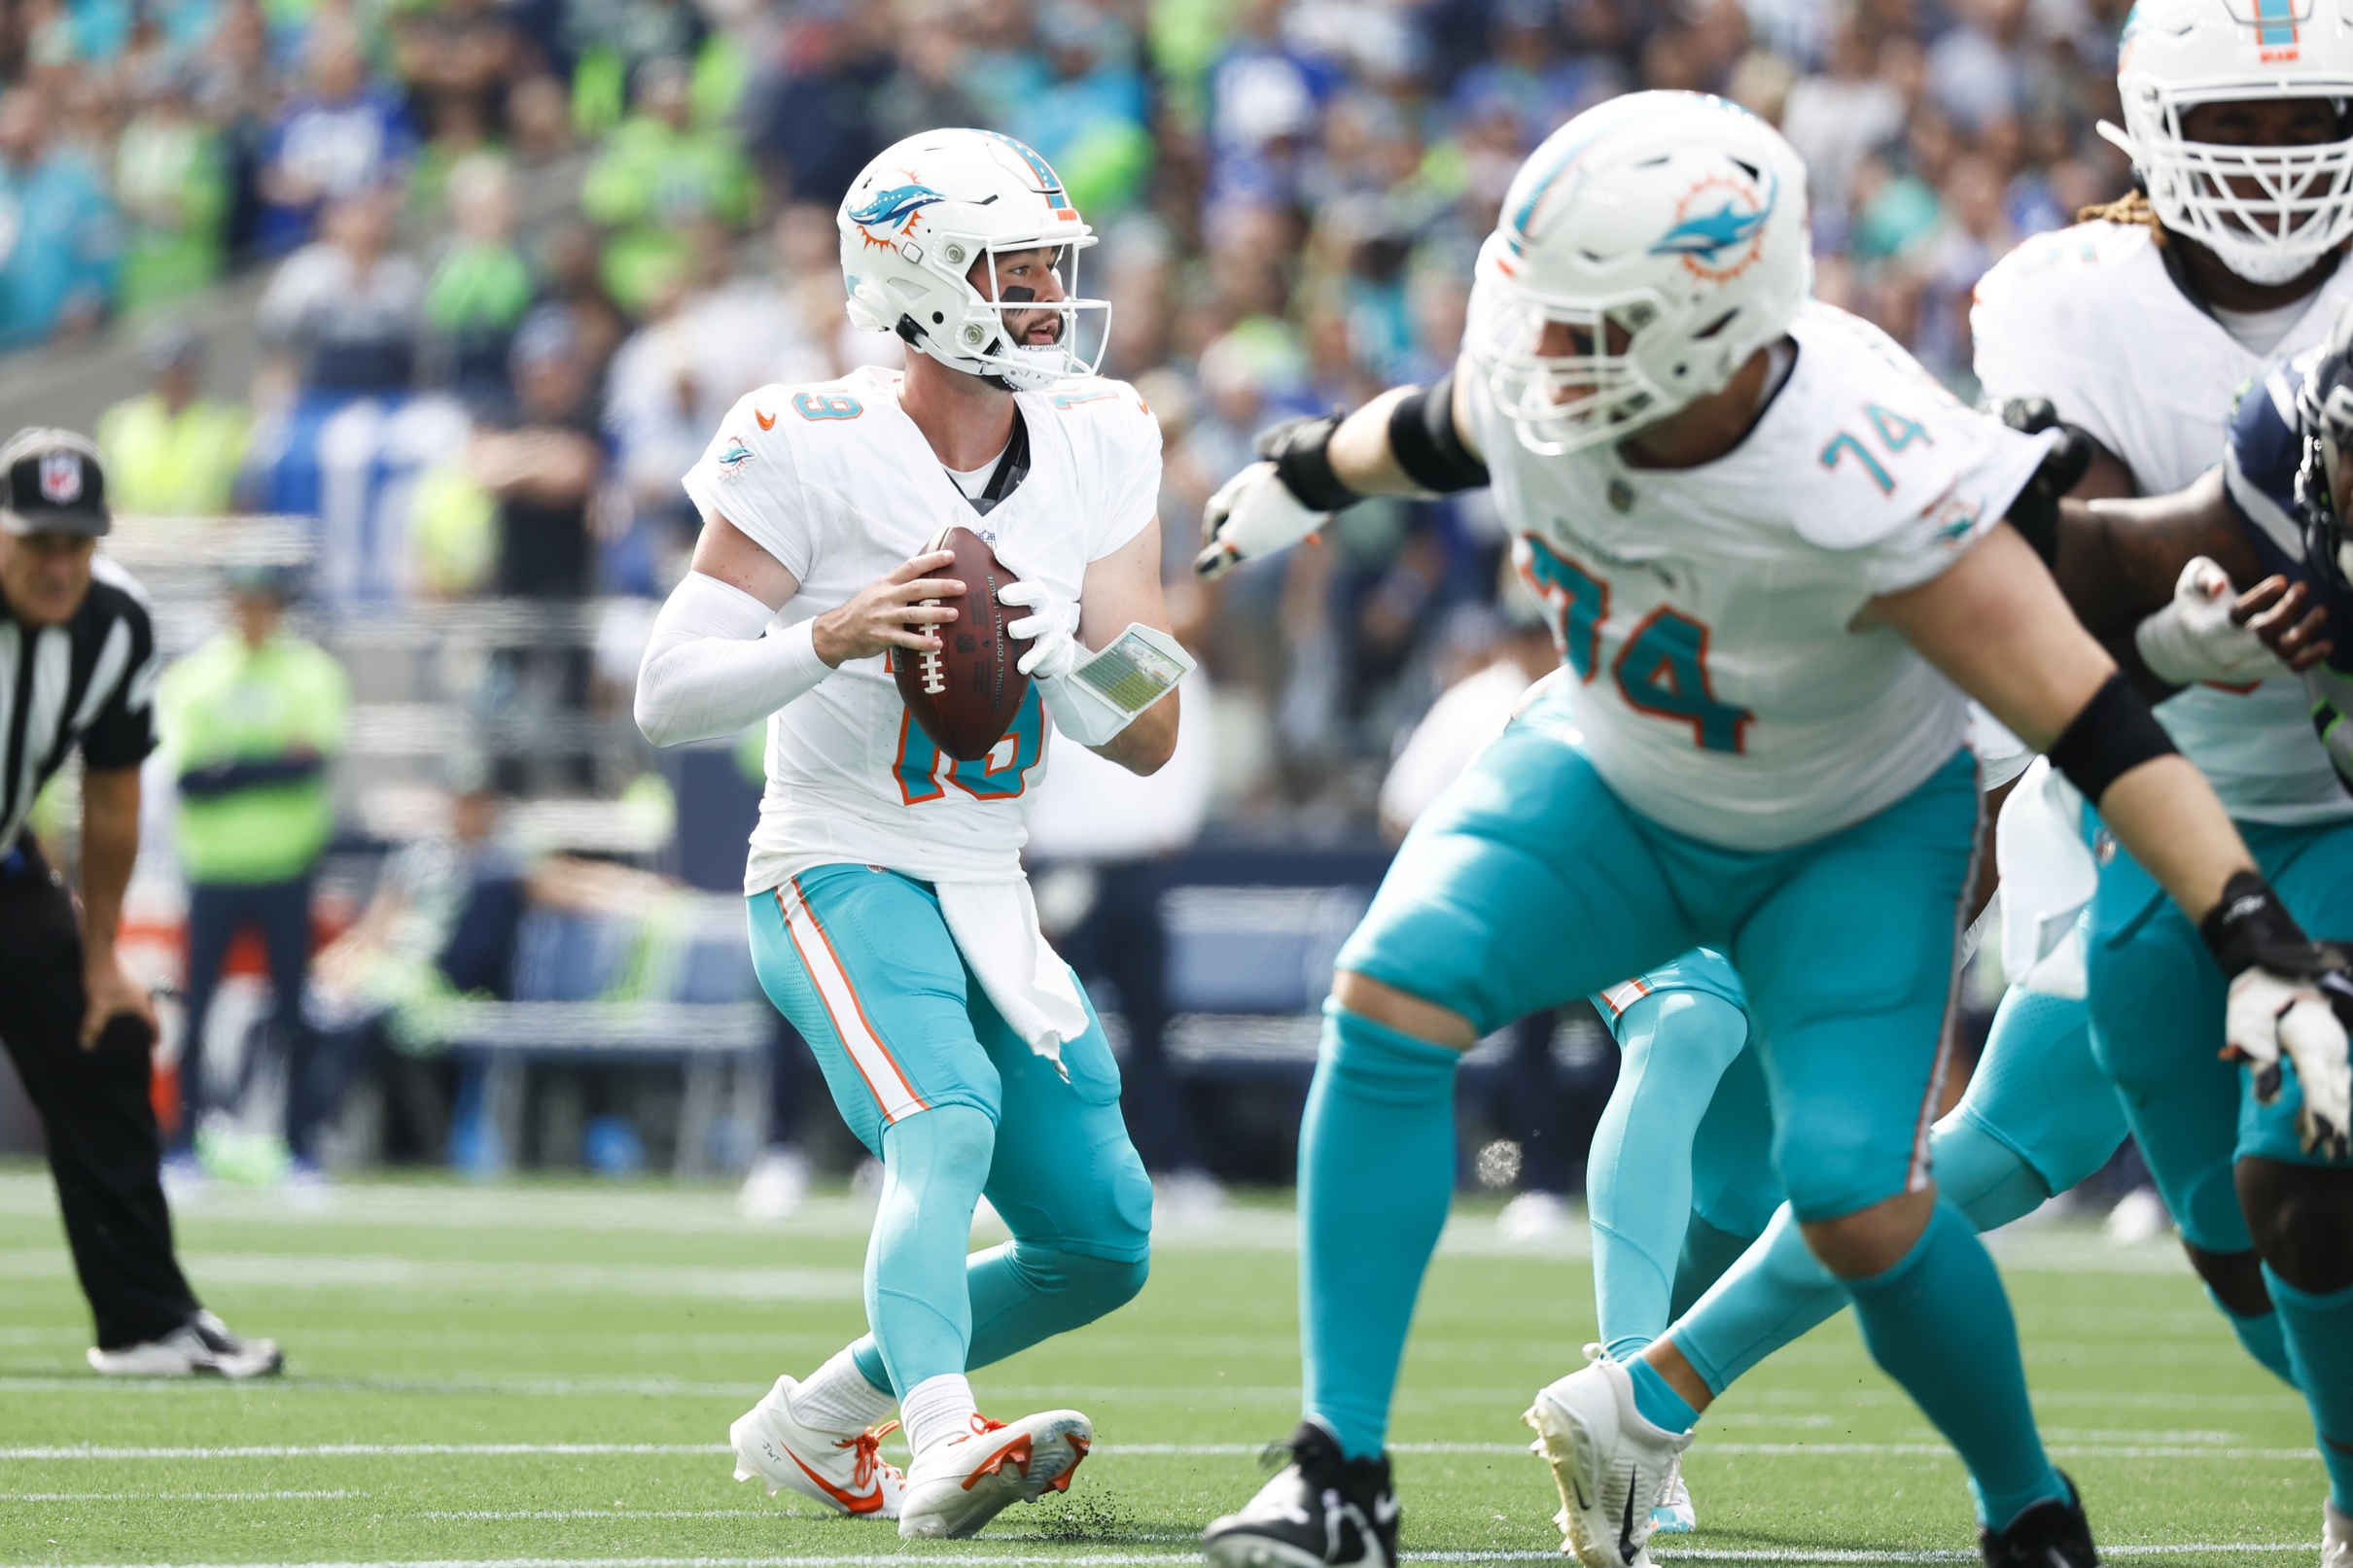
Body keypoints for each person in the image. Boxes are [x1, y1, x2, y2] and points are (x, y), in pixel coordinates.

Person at [1188, 91, 2350, 1568]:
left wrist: (2251, 934)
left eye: (1586, 326)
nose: (1544, 354)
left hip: (1845, 830)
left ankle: (2027, 1509)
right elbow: (1433, 426)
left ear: (1710, 322)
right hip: (1617, 770)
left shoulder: (1861, 465)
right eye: (1540, 317)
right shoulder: (1552, 369)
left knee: (1863, 1195)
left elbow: (2094, 722)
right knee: (1389, 993)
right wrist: (1302, 471)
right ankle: (1337, 1471)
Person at [1538, 6, 2353, 1529]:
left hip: (2318, 792)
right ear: (2150, 124)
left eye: (2308, 119)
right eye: (2238, 125)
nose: (2276, 160)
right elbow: (2055, 573)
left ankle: (1649, 1390)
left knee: (2233, 1155)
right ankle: (1649, 1389)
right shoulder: (2066, 297)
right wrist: (2187, 614)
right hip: (2142, 785)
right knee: (2188, 1212)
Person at [633, 128, 1186, 1539]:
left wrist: (1071, 656)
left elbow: (1154, 732)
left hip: (987, 881)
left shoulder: (1101, 436)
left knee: (1100, 1240)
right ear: (925, 280)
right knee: (942, 1120)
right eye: (1015, 268)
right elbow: (665, 692)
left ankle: (821, 1423)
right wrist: (824, 636)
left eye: (1056, 267)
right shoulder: (803, 440)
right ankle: (941, 1433)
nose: (1050, 297)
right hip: (834, 856)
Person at [0, 428, 280, 1377]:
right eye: (36, 541)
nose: (58, 563)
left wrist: (99, 954)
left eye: (75, 542)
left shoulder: (114, 620)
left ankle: (144, 1319)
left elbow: (112, 795)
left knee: (106, 1031)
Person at [158, 560, 349, 1175]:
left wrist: (232, 767)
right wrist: (267, 763)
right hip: (213, 868)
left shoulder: (311, 673)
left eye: (262, 601)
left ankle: (299, 1148)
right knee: (195, 1009)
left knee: (294, 1013)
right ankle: (183, 1145)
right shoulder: (195, 677)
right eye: (242, 600)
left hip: (286, 867)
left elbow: (309, 764)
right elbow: (189, 778)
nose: (252, 614)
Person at [95, 326, 250, 517]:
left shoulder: (230, 425)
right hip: (138, 544)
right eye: (168, 372)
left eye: (183, 370)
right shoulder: (119, 424)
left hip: (207, 543)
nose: (175, 379)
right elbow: (109, 501)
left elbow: (243, 501)